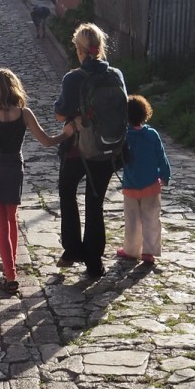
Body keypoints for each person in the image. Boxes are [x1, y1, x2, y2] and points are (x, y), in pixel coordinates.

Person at [0, 69, 63, 291]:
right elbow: (46, 141)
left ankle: (10, 276)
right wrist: (66, 133)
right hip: (14, 168)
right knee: (11, 219)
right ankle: (11, 269)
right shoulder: (25, 114)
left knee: (0, 224)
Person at [54, 22, 126, 278]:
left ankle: (72, 249)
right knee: (95, 203)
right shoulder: (116, 75)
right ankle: (94, 263)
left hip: (78, 150)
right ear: (100, 47)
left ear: (79, 49)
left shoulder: (74, 78)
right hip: (107, 149)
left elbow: (60, 113)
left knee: (67, 193)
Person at [117, 94, 171, 265]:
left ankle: (131, 251)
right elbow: (161, 157)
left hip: (131, 185)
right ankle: (149, 252)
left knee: (132, 221)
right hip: (152, 186)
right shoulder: (152, 135)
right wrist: (165, 175)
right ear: (145, 113)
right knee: (152, 220)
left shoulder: (124, 136)